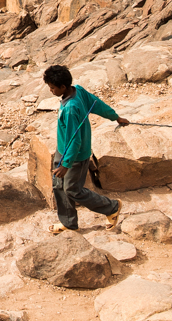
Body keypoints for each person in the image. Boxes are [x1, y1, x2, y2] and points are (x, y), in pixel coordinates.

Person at [44, 64, 127, 233]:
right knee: (59, 186)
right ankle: (68, 222)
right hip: (64, 151)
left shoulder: (71, 108)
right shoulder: (78, 91)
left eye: (52, 88)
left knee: (72, 190)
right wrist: (115, 117)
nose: (50, 91)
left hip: (75, 157)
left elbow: (75, 140)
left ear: (63, 87)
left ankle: (111, 207)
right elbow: (97, 104)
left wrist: (66, 165)